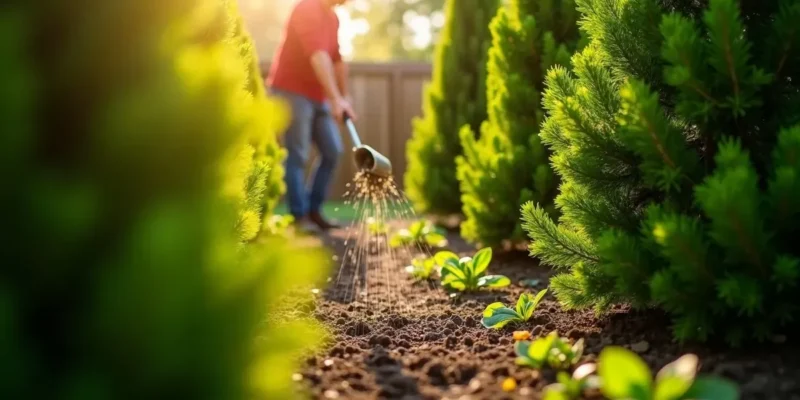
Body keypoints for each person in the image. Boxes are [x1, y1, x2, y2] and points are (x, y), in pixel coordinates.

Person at [266, 0, 356, 231]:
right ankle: (300, 216)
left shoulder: (332, 18)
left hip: (317, 95)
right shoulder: (307, 8)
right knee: (298, 153)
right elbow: (319, 56)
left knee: (333, 150)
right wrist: (335, 98)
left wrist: (344, 96)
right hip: (290, 90)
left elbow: (336, 59)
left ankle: (314, 211)